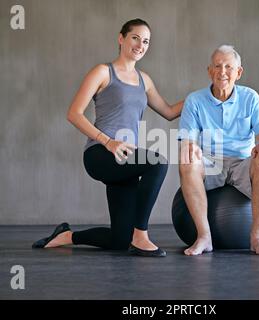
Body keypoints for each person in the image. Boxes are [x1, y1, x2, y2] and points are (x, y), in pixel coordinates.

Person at [32, 18, 184, 257]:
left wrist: (205, 95)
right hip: (100, 153)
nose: (140, 45)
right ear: (121, 38)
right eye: (135, 38)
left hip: (125, 157)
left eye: (146, 41)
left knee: (119, 240)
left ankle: (67, 236)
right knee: (158, 161)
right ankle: (141, 235)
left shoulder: (145, 80)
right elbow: (74, 113)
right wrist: (108, 141)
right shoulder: (103, 72)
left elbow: (169, 111)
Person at [178, 45, 259, 256]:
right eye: (217, 66)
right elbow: (188, 138)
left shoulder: (250, 97)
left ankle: (256, 237)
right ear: (209, 71)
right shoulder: (194, 100)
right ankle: (204, 237)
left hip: (243, 162)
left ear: (238, 72)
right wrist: (189, 146)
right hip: (211, 163)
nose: (222, 72)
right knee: (187, 158)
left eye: (229, 67)